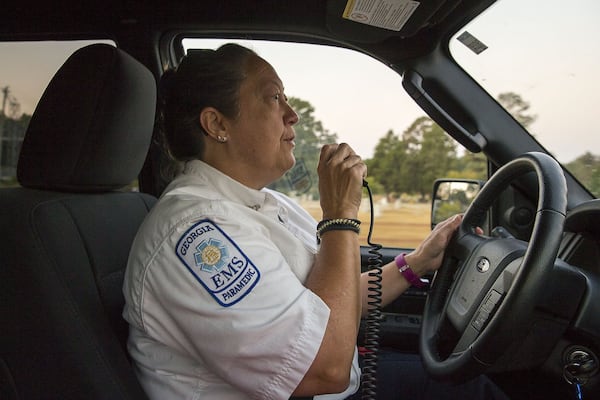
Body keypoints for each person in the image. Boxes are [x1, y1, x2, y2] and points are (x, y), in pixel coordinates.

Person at [122, 43, 508, 400]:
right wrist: (340, 217)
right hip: (324, 382)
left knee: (467, 383)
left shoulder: (265, 203)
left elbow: (326, 302)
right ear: (217, 124)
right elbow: (322, 370)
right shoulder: (195, 234)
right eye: (274, 98)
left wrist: (418, 262)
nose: (293, 113)